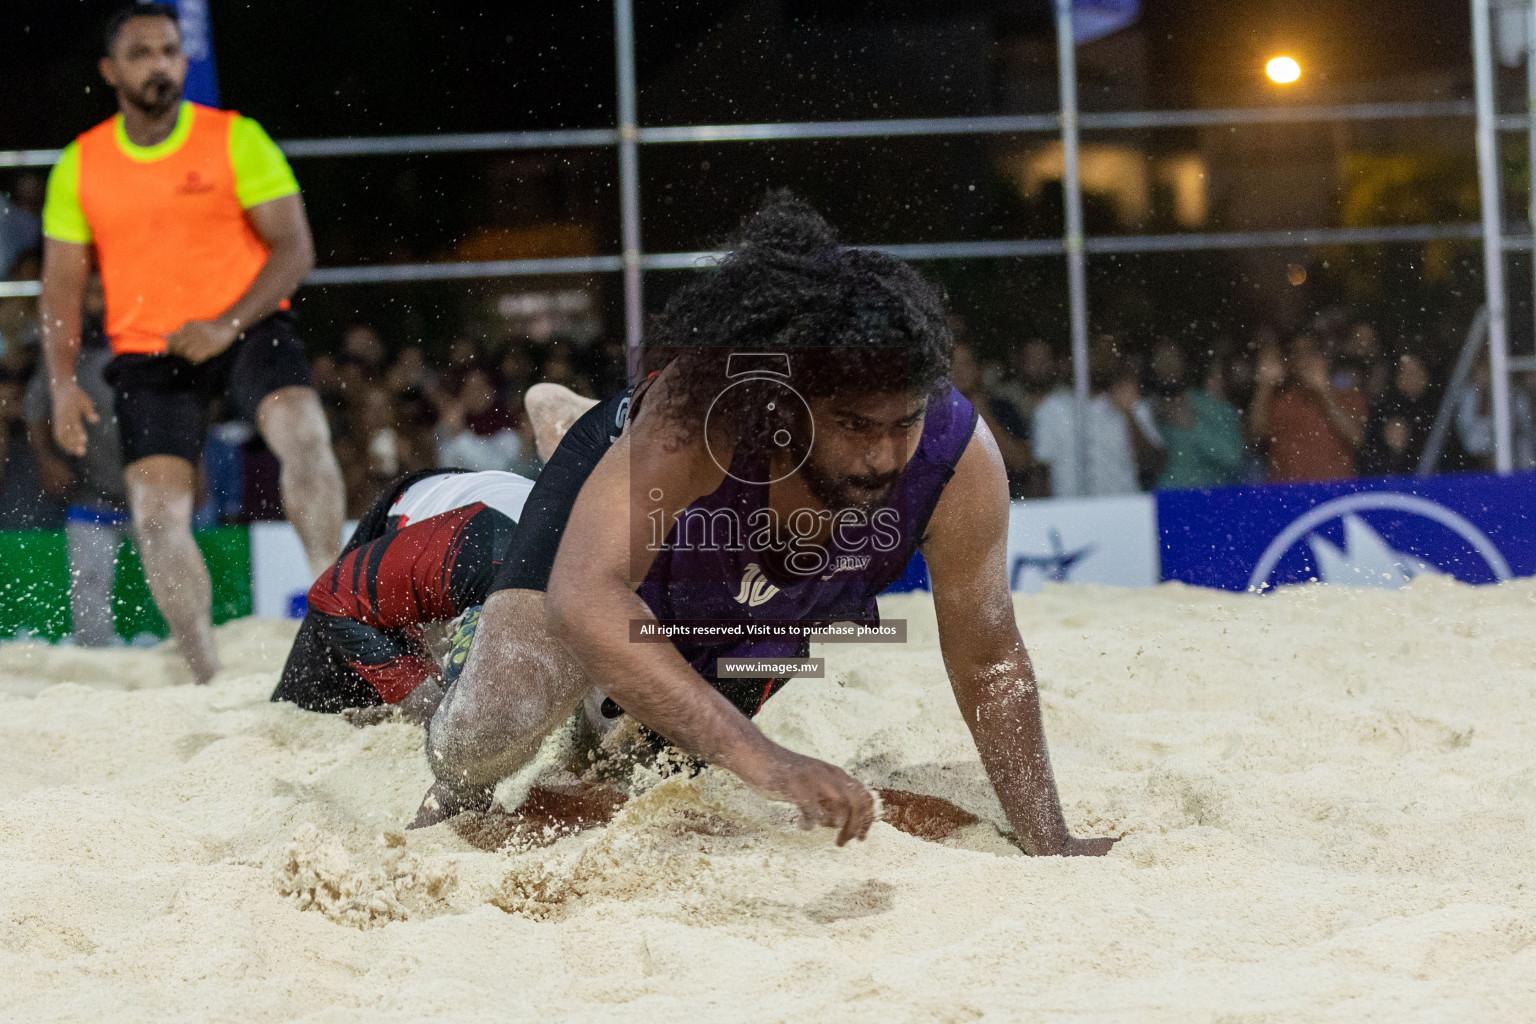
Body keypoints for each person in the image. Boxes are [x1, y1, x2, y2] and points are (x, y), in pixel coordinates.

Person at [408, 193, 1115, 857]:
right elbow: (584, 596)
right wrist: (765, 758)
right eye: (854, 425)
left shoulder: (959, 459)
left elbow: (990, 662)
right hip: (641, 475)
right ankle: (569, 423)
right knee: (486, 730)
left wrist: (1050, 841)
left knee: (642, 770)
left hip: (736, 577)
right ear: (788, 401)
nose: (881, 457)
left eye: (903, 424)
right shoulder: (709, 404)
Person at [38, 3, 344, 683]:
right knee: (154, 515)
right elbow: (59, 289)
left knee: (304, 431)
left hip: (246, 325)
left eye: (171, 51)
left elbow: (294, 250)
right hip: (149, 350)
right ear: (111, 70)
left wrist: (227, 325)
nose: (161, 65)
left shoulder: (236, 138)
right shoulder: (80, 164)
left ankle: (339, 617)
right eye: (143, 53)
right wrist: (61, 385)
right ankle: (205, 675)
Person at [24, 274, 129, 646]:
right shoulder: (65, 347)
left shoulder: (141, 333)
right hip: (89, 485)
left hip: (150, 481)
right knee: (88, 584)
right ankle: (96, 657)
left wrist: (192, 465)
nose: (98, 299)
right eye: (91, 291)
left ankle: (184, 649)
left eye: (104, 289)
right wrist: (46, 459)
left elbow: (181, 411)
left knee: (172, 572)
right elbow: (35, 407)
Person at [1030, 335, 1139, 496]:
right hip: (1069, 513)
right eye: (1095, 353)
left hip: (1123, 510)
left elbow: (1153, 464)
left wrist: (1129, 415)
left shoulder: (1131, 400)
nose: (1100, 360)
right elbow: (1041, 472)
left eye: (1106, 354)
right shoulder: (1051, 409)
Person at [1248, 335, 1366, 483]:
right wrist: (1264, 385)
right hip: (1287, 495)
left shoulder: (1348, 396)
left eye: (1309, 352)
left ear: (1323, 358)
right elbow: (1255, 437)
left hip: (1336, 495)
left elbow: (1358, 439)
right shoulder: (1279, 401)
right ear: (1289, 361)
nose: (1303, 359)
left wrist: (1325, 393)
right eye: (1297, 353)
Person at [1146, 340, 1247, 490]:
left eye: (1173, 357)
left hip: (1208, 501)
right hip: (1164, 502)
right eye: (1161, 359)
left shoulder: (1212, 406)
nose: (1168, 365)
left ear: (1184, 362)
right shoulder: (1142, 407)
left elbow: (1233, 458)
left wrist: (1193, 427)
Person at [1360, 352, 1438, 477]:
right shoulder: (1385, 410)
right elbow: (1369, 452)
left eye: (1415, 371)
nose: (1410, 377)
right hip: (1391, 485)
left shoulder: (1440, 409)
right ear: (1397, 377)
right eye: (1404, 371)